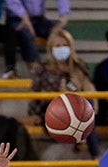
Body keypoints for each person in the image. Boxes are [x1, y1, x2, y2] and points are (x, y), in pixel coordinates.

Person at [25, 30, 101, 158]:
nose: (62, 49)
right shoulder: (42, 69)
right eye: (58, 46)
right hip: (51, 110)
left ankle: (88, 143)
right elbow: (36, 96)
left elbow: (89, 89)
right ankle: (94, 151)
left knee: (87, 101)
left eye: (65, 45)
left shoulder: (79, 67)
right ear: (51, 49)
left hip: (78, 108)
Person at [5, 0, 69, 70]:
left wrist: (63, 19)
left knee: (63, 34)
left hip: (39, 19)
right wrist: (25, 18)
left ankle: (66, 65)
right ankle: (35, 68)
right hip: (17, 18)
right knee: (26, 35)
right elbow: (12, 2)